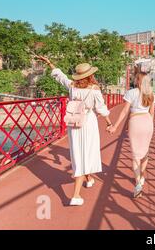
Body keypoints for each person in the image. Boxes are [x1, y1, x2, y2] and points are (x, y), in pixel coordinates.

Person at [37, 56, 112, 206]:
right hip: (88, 123)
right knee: (87, 153)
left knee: (79, 153)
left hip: (74, 124)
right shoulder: (94, 89)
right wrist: (110, 123)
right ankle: (76, 196)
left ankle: (89, 178)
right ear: (90, 75)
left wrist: (49, 62)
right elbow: (101, 108)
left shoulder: (72, 86)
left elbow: (60, 76)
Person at [108, 71, 155, 198]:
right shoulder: (151, 94)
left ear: (138, 81)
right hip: (147, 122)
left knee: (135, 156)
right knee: (145, 152)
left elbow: (124, 111)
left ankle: (138, 183)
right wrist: (149, 125)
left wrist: (115, 126)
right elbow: (152, 113)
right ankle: (142, 176)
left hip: (135, 122)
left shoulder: (131, 92)